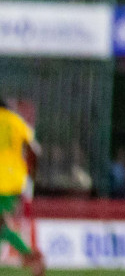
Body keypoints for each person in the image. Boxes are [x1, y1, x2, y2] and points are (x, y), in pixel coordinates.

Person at [0, 100, 44, 276]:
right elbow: (35, 150)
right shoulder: (17, 121)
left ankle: (30, 255)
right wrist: (31, 176)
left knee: (1, 225)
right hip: (15, 180)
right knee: (2, 224)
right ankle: (30, 255)